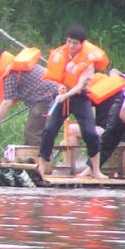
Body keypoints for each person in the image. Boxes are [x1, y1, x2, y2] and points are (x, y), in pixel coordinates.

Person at [38, 25, 110, 179]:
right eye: (69, 42)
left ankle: (95, 170)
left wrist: (66, 94)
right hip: (61, 96)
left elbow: (79, 85)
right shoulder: (60, 54)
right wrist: (60, 87)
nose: (71, 46)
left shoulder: (88, 61)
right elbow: (55, 77)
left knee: (90, 133)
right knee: (49, 130)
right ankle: (41, 167)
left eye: (75, 43)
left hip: (79, 97)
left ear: (81, 44)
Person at [0, 47, 58, 146]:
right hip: (53, 93)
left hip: (47, 97)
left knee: (31, 132)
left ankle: (40, 160)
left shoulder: (10, 73)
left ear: (0, 62)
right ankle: (37, 157)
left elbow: (6, 104)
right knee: (33, 131)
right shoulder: (15, 68)